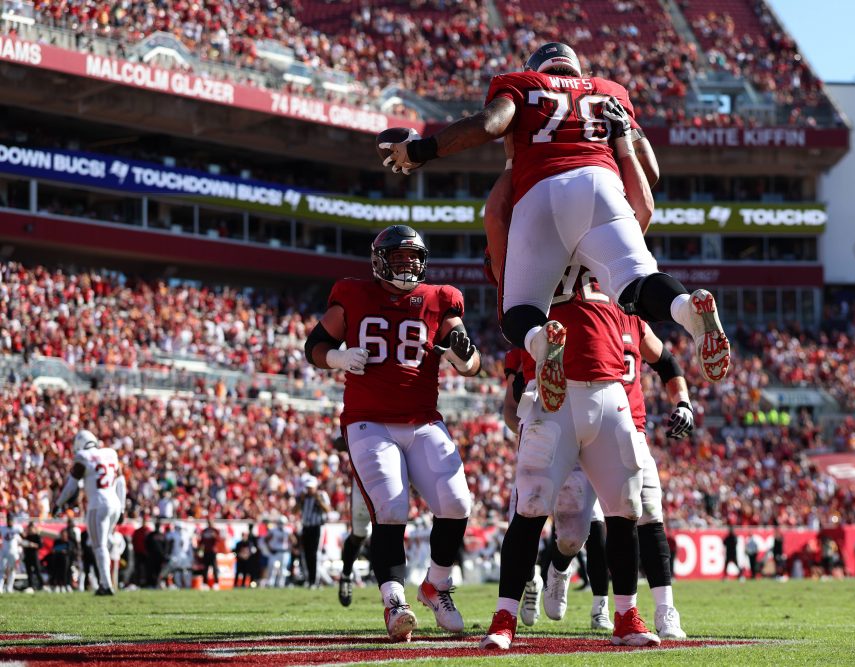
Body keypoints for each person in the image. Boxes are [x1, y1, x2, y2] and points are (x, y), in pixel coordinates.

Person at [380, 41, 731, 415]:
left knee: (519, 311)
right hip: (603, 186)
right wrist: (622, 135)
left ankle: (541, 341)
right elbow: (652, 174)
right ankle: (684, 308)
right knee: (637, 283)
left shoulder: (521, 84)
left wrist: (421, 151)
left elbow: (488, 124)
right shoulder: (610, 92)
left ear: (536, 68)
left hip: (542, 190)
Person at [305, 224, 481, 642]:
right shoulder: (352, 293)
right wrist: (338, 355)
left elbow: (471, 361)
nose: (407, 267)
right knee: (390, 508)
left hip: (422, 419)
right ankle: (394, 601)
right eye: (399, 260)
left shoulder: (440, 299)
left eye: (412, 260)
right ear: (379, 261)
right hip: (369, 420)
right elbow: (314, 346)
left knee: (457, 503)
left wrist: (462, 356)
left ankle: (436, 586)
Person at [480, 264, 660, 650]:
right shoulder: (533, 244)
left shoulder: (606, 249)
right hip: (551, 393)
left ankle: (627, 614)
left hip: (610, 389)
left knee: (625, 508)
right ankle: (504, 617)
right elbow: (502, 258)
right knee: (529, 507)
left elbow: (639, 219)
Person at [54, 429, 126, 596]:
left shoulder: (83, 457)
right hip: (114, 503)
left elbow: (71, 486)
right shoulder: (111, 454)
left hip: (98, 504)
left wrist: (58, 504)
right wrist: (122, 507)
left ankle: (106, 585)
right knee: (99, 545)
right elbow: (121, 482)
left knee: (98, 546)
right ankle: (104, 579)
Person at [339, 481, 371, 607]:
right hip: (365, 476)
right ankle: (346, 575)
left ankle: (391, 588)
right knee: (359, 535)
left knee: (389, 528)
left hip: (393, 474)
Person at [299, 476, 332, 588]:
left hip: (317, 527)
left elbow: (328, 510)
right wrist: (301, 500)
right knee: (306, 554)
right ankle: (309, 579)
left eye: (310, 487)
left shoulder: (321, 495)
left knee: (314, 554)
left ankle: (315, 581)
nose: (309, 490)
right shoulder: (304, 497)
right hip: (306, 527)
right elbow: (295, 510)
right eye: (307, 488)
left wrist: (319, 501)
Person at [261, 519, 290, 588]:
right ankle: (270, 582)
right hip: (274, 551)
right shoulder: (273, 530)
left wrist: (290, 547)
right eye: (280, 522)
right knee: (272, 566)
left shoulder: (287, 530)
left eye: (282, 523)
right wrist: (270, 548)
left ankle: (281, 583)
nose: (281, 524)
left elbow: (293, 540)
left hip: (283, 552)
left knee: (283, 568)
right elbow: (266, 539)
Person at [0, 514, 22, 593]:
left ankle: (9, 587)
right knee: (1, 570)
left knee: (12, 570)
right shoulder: (2, 528)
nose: (10, 522)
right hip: (4, 552)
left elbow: (23, 536)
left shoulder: (17, 528)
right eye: (9, 520)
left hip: (14, 553)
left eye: (11, 520)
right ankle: (0, 588)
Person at [199, 519, 221, 588]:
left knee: (214, 568)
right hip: (206, 552)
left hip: (213, 552)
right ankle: (205, 583)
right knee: (205, 568)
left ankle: (216, 583)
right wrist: (200, 550)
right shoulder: (204, 531)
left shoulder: (216, 531)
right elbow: (201, 542)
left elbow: (219, 540)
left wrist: (215, 536)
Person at [22, 521, 43, 591]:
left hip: (34, 555)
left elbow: (40, 546)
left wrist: (32, 545)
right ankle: (30, 585)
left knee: (37, 570)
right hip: (27, 555)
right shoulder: (26, 536)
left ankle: (41, 585)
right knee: (29, 572)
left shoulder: (37, 536)